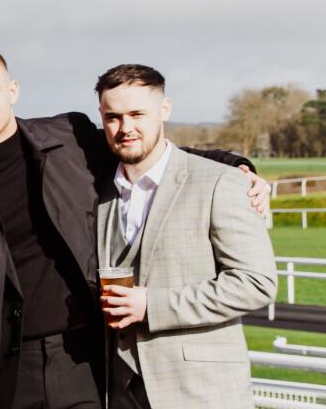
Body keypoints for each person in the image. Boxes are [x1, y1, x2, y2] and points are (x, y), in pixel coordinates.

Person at [0, 46, 269, 409]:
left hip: (84, 359)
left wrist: (235, 164)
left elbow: (146, 148)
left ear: (13, 91)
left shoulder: (70, 137)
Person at [91, 64, 276, 409]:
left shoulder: (220, 181)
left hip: (201, 393)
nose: (125, 127)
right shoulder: (97, 193)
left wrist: (153, 305)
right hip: (115, 393)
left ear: (165, 110)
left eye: (137, 114)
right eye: (112, 117)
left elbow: (257, 283)